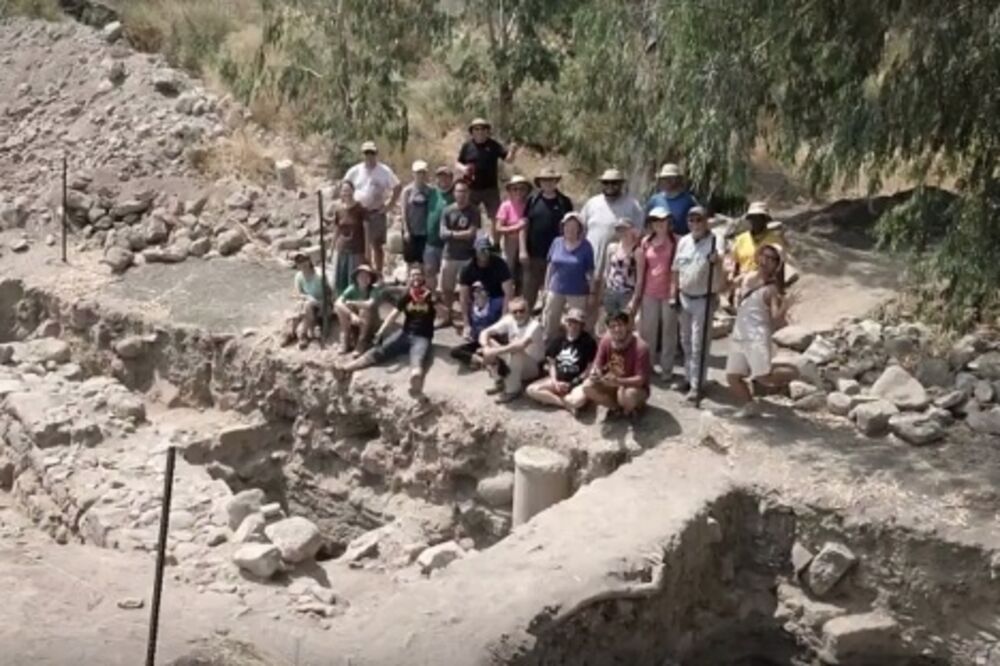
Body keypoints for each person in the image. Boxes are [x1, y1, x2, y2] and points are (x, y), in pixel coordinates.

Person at [334, 266, 437, 397]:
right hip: (404, 334)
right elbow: (393, 315)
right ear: (409, 279)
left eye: (418, 274)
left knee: (417, 359)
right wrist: (381, 332)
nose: (415, 277)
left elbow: (444, 313)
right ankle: (344, 369)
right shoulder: (407, 295)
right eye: (412, 275)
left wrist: (433, 301)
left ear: (423, 278)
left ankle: (416, 383)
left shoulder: (430, 295)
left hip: (422, 337)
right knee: (379, 351)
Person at [726, 243, 798, 418]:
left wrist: (786, 305)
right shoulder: (747, 277)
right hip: (740, 334)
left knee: (764, 377)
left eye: (771, 259)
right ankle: (750, 405)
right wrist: (722, 266)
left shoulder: (772, 289)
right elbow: (725, 285)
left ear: (776, 265)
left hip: (757, 336)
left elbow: (776, 318)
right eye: (763, 256)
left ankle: (797, 372)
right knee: (732, 376)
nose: (765, 261)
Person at [671, 206, 724, 401]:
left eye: (699, 220)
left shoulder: (715, 240)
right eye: (691, 220)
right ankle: (688, 377)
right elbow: (675, 269)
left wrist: (716, 259)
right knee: (685, 341)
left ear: (706, 221)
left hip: (704, 298)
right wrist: (673, 294)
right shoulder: (684, 241)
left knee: (698, 343)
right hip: (685, 297)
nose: (695, 224)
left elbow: (722, 258)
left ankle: (697, 385)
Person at [631, 206, 680, 382]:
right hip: (649, 292)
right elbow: (641, 269)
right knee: (647, 332)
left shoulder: (677, 241)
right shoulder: (646, 242)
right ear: (651, 223)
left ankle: (667, 369)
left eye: (663, 220)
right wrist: (637, 294)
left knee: (668, 332)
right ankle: (647, 366)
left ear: (669, 222)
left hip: (669, 292)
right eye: (656, 221)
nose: (659, 224)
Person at [343, 141, 401, 276]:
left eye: (372, 153)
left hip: (376, 212)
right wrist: (347, 204)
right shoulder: (355, 170)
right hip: (358, 213)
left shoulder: (384, 171)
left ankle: (379, 273)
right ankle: (362, 274)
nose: (369, 156)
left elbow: (397, 187)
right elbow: (345, 186)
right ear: (363, 155)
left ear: (376, 154)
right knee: (359, 244)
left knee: (377, 245)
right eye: (366, 153)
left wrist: (389, 205)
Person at [580, 311, 652, 418]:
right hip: (612, 382)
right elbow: (597, 363)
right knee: (587, 386)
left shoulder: (641, 347)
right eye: (613, 326)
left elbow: (640, 380)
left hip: (634, 387)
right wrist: (595, 373)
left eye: (620, 325)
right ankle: (616, 408)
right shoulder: (606, 340)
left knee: (627, 396)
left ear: (627, 326)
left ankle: (635, 406)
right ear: (608, 328)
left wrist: (618, 382)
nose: (617, 329)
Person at [521, 166, 573, 311]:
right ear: (540, 182)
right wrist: (523, 250)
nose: (548, 183)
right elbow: (524, 226)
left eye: (551, 180)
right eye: (545, 180)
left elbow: (570, 229)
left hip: (557, 256)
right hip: (534, 254)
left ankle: (547, 325)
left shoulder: (565, 202)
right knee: (528, 293)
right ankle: (524, 324)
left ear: (556, 181)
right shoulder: (532, 201)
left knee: (552, 294)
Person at [526, 308, 597, 415]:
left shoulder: (588, 342)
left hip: (577, 382)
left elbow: (590, 367)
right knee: (531, 389)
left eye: (576, 322)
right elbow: (552, 363)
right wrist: (555, 381)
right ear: (566, 323)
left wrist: (573, 383)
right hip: (558, 379)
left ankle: (557, 400)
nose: (573, 325)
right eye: (570, 322)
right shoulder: (558, 339)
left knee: (577, 401)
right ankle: (564, 404)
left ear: (582, 325)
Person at [580, 168, 644, 280]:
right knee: (588, 294)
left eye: (614, 183)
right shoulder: (592, 203)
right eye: (606, 182)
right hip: (591, 260)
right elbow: (580, 229)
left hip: (617, 267)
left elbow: (639, 233)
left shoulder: (632, 205)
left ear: (621, 184)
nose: (610, 186)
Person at [478, 296, 545, 403]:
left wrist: (494, 352)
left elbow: (521, 345)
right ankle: (499, 382)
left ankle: (513, 390)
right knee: (489, 342)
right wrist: (486, 348)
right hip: (514, 361)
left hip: (533, 367)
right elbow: (485, 332)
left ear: (528, 311)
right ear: (511, 312)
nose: (518, 314)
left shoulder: (534, 326)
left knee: (515, 350)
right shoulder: (509, 320)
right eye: (515, 311)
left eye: (522, 311)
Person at [543, 212, 596, 342]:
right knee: (550, 321)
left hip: (577, 291)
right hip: (556, 289)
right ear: (563, 227)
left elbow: (590, 272)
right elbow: (551, 266)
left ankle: (576, 350)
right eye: (567, 225)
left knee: (576, 324)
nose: (570, 229)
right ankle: (550, 348)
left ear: (579, 228)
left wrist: (592, 293)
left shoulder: (586, 246)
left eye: (574, 226)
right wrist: (546, 288)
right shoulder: (556, 242)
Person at [455, 117, 517, 226]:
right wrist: (463, 169)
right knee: (468, 216)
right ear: (472, 132)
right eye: (476, 129)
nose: (479, 131)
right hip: (471, 188)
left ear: (487, 131)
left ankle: (496, 243)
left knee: (496, 217)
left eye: (483, 129)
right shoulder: (467, 146)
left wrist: (513, 150)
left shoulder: (493, 145)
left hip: (490, 189)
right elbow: (458, 163)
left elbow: (509, 160)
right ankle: (469, 240)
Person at [438, 181, 482, 326]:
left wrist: (452, 234)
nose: (461, 195)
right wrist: (459, 234)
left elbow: (472, 234)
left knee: (467, 290)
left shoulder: (474, 211)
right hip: (449, 255)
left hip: (467, 256)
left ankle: (467, 319)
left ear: (468, 193)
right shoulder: (447, 210)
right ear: (454, 193)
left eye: (464, 192)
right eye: (458, 191)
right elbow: (442, 233)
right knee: (446, 289)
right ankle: (446, 317)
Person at [458, 236, 514, 339]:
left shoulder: (500, 264)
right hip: (478, 301)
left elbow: (509, 292)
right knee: (475, 334)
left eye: (487, 249)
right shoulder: (467, 268)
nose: (484, 252)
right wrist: (466, 324)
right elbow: (463, 297)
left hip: (497, 300)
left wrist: (504, 319)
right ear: (475, 251)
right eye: (481, 249)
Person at [596, 218, 640, 323]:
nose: (622, 232)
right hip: (611, 292)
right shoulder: (612, 248)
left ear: (632, 230)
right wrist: (602, 293)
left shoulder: (638, 251)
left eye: (625, 229)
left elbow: (640, 279)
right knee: (610, 322)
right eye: (619, 230)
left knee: (626, 324)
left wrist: (635, 299)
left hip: (627, 294)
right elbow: (606, 272)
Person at [449, 281, 504, 365]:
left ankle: (486, 359)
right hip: (479, 342)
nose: (478, 293)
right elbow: (468, 327)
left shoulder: (496, 303)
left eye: (482, 290)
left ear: (488, 292)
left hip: (494, 341)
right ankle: (481, 361)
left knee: (494, 350)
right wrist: (465, 331)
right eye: (475, 291)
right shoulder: (471, 308)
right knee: (454, 351)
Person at [329, 180, 367, 296]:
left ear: (353, 191)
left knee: (354, 279)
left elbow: (367, 231)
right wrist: (331, 250)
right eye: (344, 190)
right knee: (339, 280)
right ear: (341, 193)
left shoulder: (361, 209)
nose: (347, 193)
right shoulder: (338, 210)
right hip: (341, 249)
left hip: (356, 250)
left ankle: (354, 304)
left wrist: (368, 252)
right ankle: (340, 304)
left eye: (349, 190)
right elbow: (336, 230)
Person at [334, 264, 382, 355]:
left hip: (371, 322)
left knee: (364, 309)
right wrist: (351, 314)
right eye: (361, 276)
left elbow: (369, 304)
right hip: (356, 319)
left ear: (371, 279)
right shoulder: (352, 288)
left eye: (367, 276)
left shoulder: (374, 290)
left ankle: (361, 343)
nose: (364, 278)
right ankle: (346, 339)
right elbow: (338, 302)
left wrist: (353, 303)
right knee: (340, 308)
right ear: (356, 278)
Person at [729, 201, 785, 278]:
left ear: (765, 220)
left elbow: (779, 268)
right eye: (753, 217)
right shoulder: (740, 239)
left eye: (759, 217)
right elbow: (735, 265)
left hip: (766, 283)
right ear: (749, 219)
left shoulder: (775, 240)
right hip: (743, 282)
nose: (756, 221)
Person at [284, 253, 329, 349]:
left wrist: (318, 301)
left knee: (307, 305)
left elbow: (329, 292)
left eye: (304, 260)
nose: (302, 264)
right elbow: (298, 293)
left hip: (322, 302)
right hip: (308, 302)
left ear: (309, 261)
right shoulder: (299, 276)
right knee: (302, 304)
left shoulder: (319, 274)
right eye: (299, 262)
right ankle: (292, 333)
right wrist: (307, 297)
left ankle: (301, 335)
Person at [400, 160, 438, 270]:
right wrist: (406, 230)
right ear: (413, 174)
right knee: (410, 260)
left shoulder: (431, 190)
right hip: (411, 230)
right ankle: (410, 283)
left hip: (425, 231)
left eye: (422, 173)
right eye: (418, 173)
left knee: (423, 260)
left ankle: (422, 284)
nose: (420, 175)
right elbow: (403, 211)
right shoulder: (407, 191)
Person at [425, 166, 456, 292]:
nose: (443, 179)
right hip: (431, 241)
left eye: (446, 176)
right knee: (429, 270)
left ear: (451, 178)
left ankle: (444, 301)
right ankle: (431, 297)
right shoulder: (432, 192)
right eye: (440, 176)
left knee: (445, 274)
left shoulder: (455, 194)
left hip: (448, 243)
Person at [646, 163, 699, 235]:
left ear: (678, 179)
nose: (668, 181)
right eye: (665, 178)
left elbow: (698, 222)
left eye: (671, 178)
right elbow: (647, 225)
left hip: (683, 241)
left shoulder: (689, 200)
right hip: (660, 243)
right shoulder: (654, 200)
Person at [495, 174, 530, 276]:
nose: (518, 192)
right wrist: (516, 227)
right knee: (507, 268)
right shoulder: (505, 206)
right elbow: (498, 227)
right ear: (510, 191)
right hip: (509, 240)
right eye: (515, 189)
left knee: (525, 270)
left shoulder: (529, 204)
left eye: (522, 189)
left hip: (527, 241)